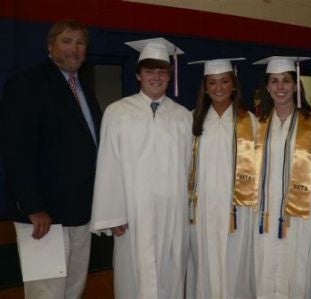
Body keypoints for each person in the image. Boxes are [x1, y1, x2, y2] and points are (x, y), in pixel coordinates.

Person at [0, 19, 102, 298]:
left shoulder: (82, 88)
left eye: (80, 43)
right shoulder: (26, 84)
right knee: (46, 292)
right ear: (50, 46)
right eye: (66, 41)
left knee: (73, 288)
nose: (74, 49)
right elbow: (16, 150)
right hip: (44, 216)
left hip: (80, 211)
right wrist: (33, 206)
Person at [89, 37, 192, 299]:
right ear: (138, 75)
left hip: (174, 214)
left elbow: (191, 169)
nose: (156, 77)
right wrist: (113, 214)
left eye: (162, 71)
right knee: (133, 276)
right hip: (133, 215)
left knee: (172, 270)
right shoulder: (118, 112)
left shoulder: (183, 116)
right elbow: (108, 164)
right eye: (149, 71)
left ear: (170, 76)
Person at [186, 58, 257, 298]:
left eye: (225, 81)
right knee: (203, 258)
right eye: (212, 82)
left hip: (237, 208)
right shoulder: (192, 119)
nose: (218, 88)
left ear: (234, 85)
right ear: (205, 87)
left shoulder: (251, 122)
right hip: (203, 207)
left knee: (235, 259)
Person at [252, 56, 311, 298]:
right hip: (266, 212)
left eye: (286, 81)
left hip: (301, 212)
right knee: (266, 264)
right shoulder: (257, 124)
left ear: (295, 85)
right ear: (267, 87)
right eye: (274, 81)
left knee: (298, 263)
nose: (280, 87)